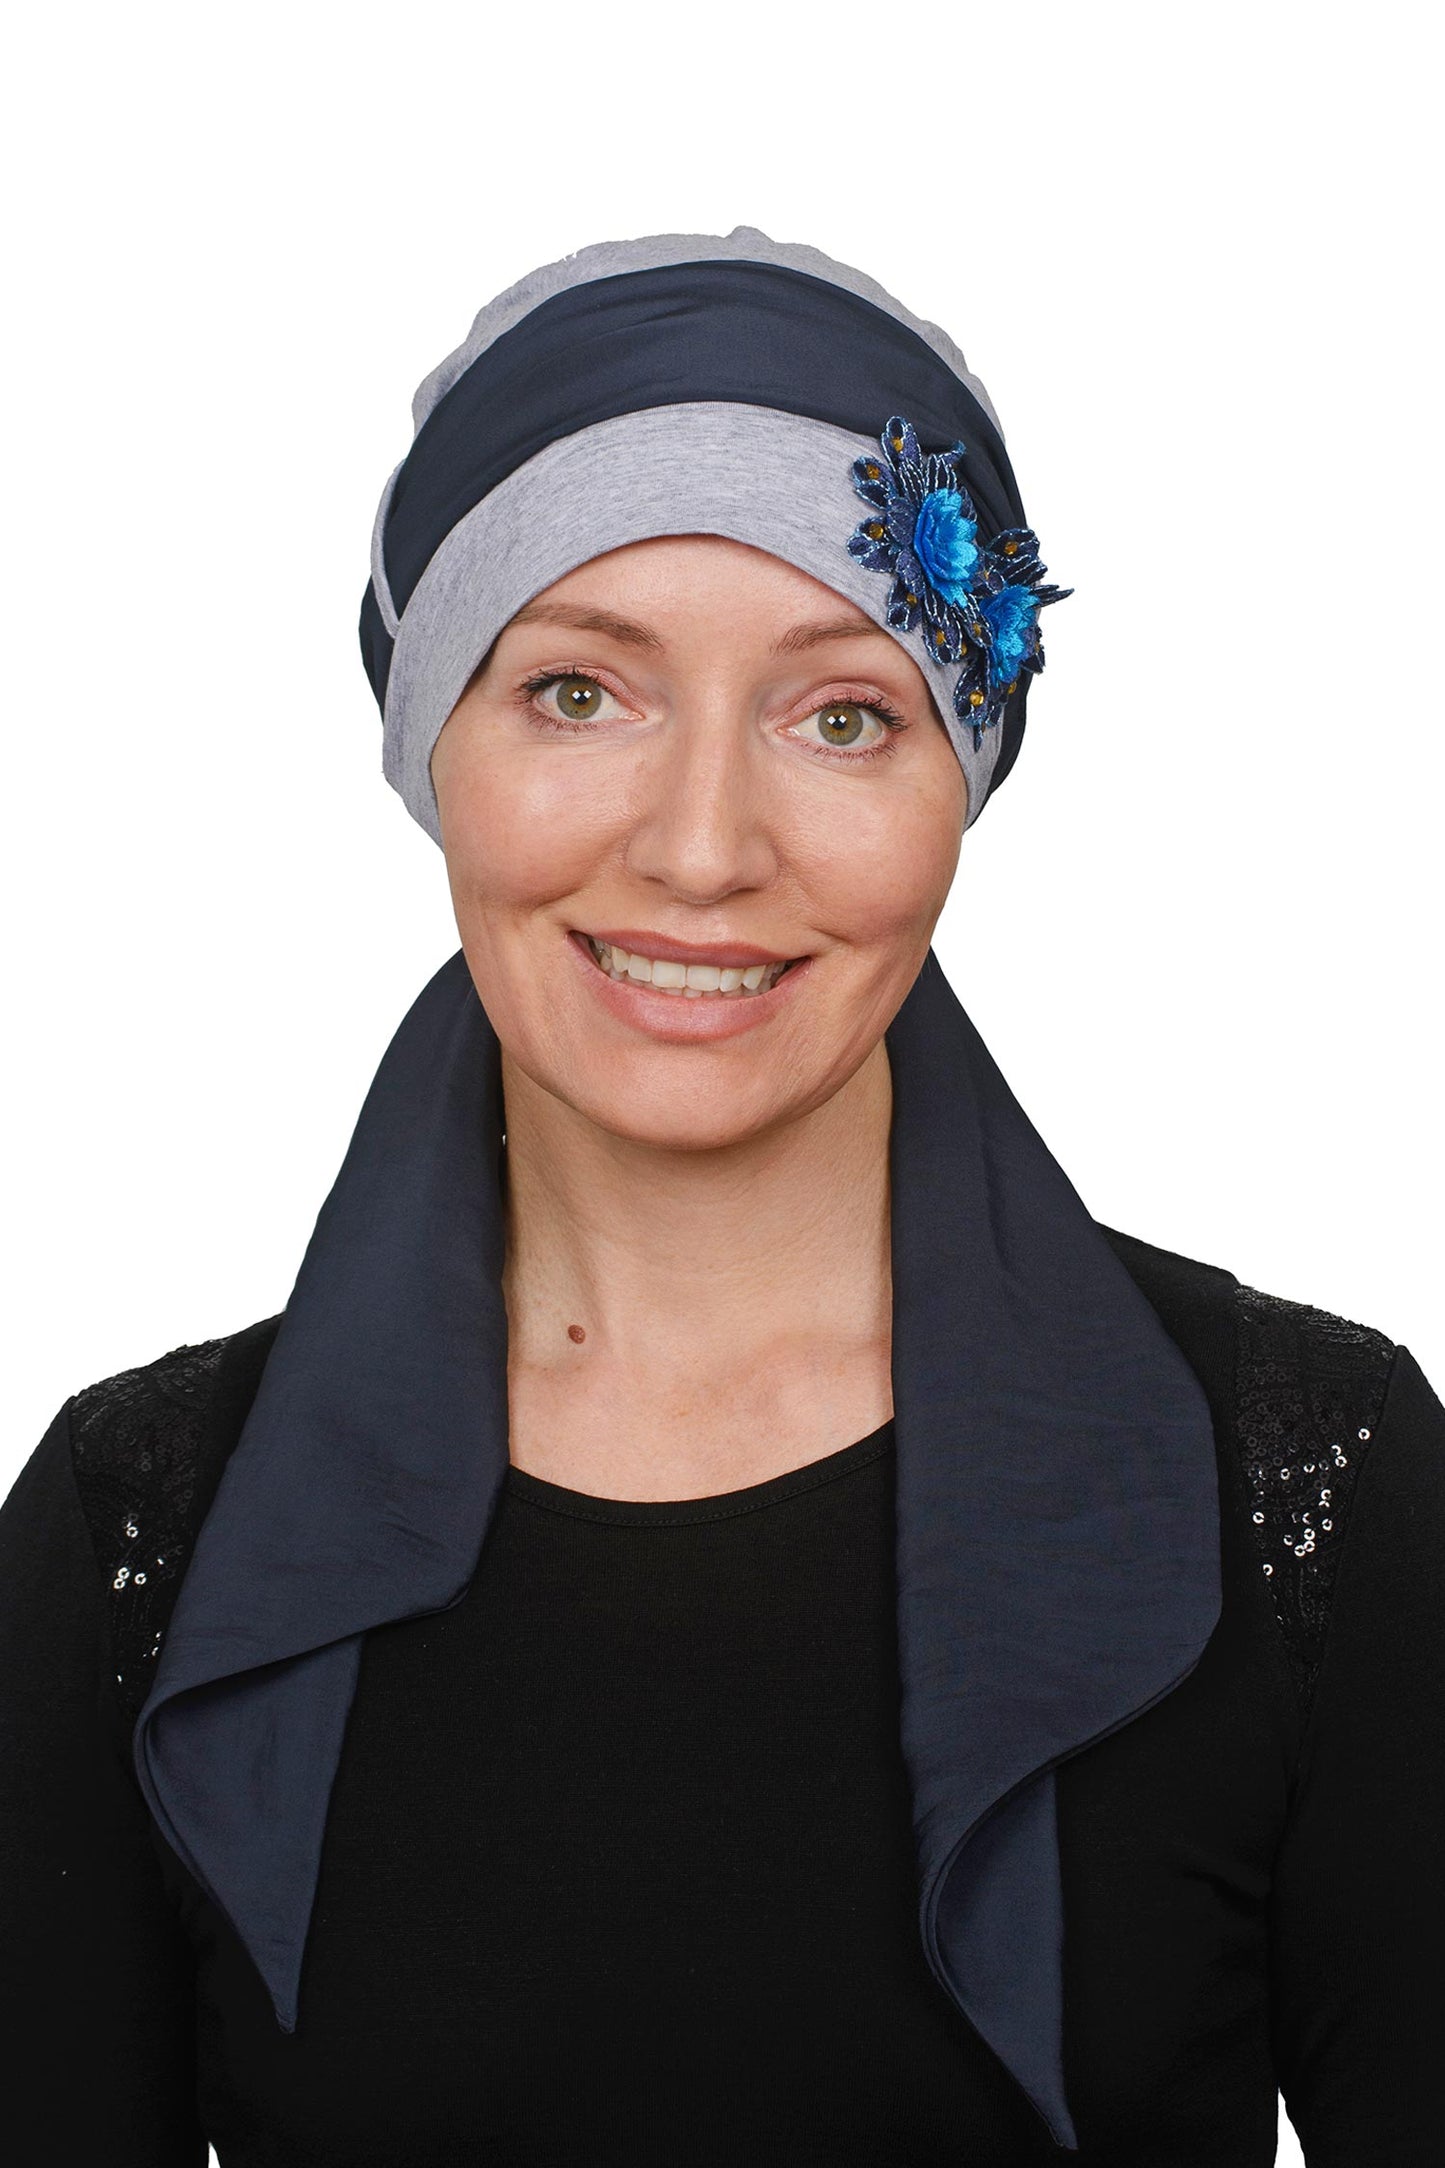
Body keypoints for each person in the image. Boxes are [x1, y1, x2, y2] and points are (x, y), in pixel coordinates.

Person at [1, 226, 1440, 2167]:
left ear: (967, 774)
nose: (698, 849)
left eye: (841, 714)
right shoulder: (141, 1541)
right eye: (580, 695)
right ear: (437, 746)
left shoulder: (1316, 1500)